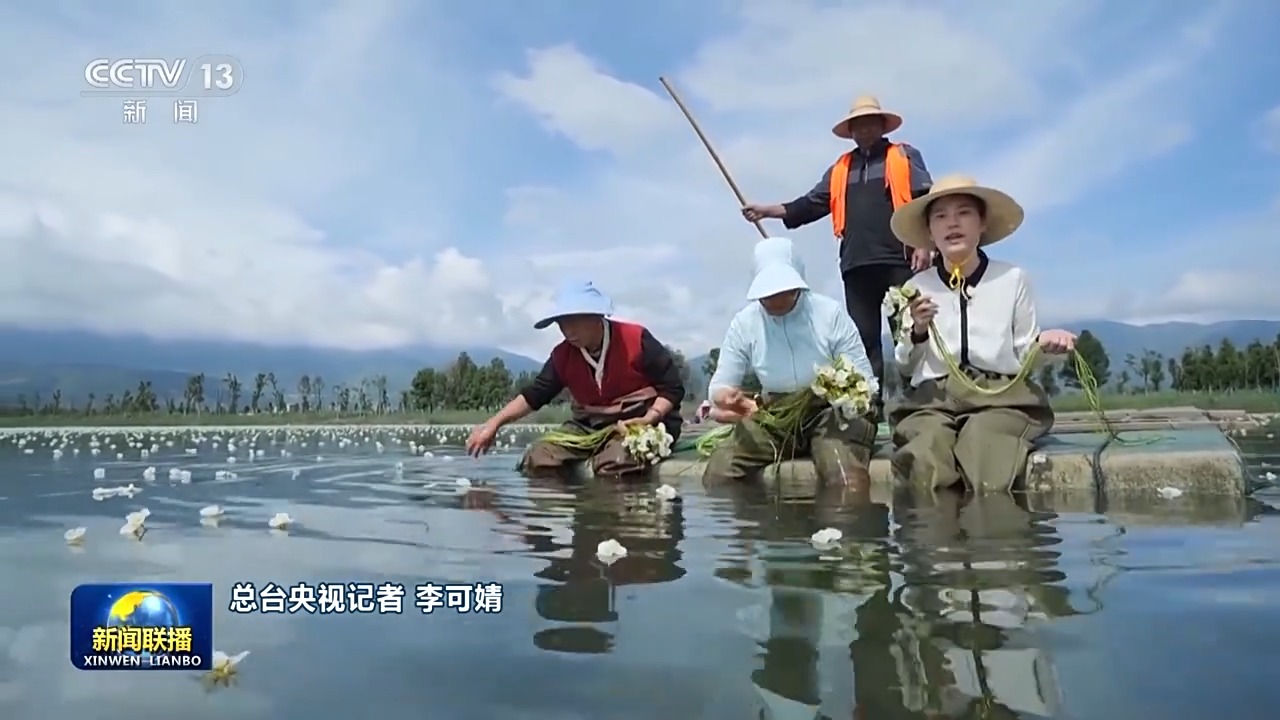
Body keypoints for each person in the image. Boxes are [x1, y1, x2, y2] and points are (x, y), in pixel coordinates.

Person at [886, 174, 1077, 492]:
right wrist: (918, 330)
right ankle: (935, 538)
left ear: (982, 223)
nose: (952, 224)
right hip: (933, 399)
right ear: (930, 232)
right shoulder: (914, 288)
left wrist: (1044, 346)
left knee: (984, 448)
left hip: (999, 397)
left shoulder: (1013, 279)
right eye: (941, 217)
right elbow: (906, 366)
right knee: (925, 451)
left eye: (963, 213)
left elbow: (1022, 356)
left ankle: (989, 536)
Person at [741, 95, 934, 404]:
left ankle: (917, 405)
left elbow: (925, 199)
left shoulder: (904, 156)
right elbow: (811, 203)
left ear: (882, 126)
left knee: (907, 334)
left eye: (870, 123)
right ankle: (869, 405)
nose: (864, 131)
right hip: (857, 263)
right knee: (862, 339)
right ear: (851, 131)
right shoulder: (841, 168)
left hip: (900, 258)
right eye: (857, 126)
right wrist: (767, 210)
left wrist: (925, 243)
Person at [464, 280, 685, 477]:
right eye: (562, 323)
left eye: (574, 322)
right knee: (539, 458)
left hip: (643, 421)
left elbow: (672, 388)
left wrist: (648, 419)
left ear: (596, 317)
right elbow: (536, 394)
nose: (567, 331)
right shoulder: (562, 355)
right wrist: (493, 424)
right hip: (591, 427)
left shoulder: (636, 339)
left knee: (617, 461)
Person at [704, 237, 879, 484]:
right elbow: (720, 384)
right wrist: (726, 397)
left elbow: (865, 381)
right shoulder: (744, 323)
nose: (775, 300)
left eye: (783, 291)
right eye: (767, 294)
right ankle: (755, 522)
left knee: (843, 475)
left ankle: (845, 523)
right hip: (776, 414)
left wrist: (843, 400)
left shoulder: (830, 314)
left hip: (831, 411)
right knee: (721, 470)